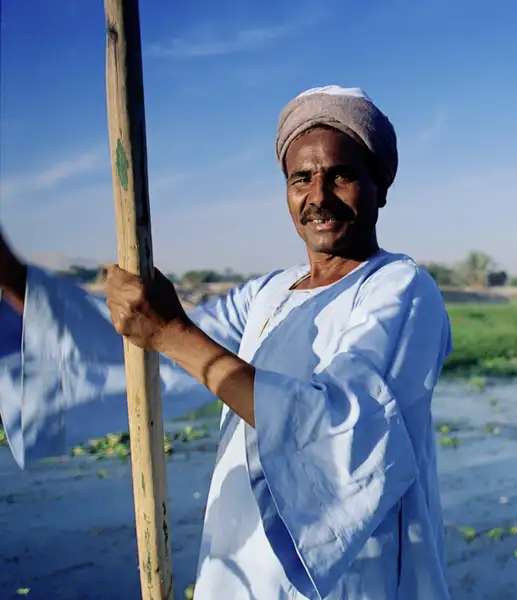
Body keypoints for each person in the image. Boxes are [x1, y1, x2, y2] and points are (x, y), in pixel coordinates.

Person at [0, 85, 453, 600]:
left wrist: (174, 333)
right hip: (240, 575)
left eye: (342, 175)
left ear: (381, 186)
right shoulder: (267, 294)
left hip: (352, 583)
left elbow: (344, 429)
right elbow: (153, 359)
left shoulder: (401, 287)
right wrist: (14, 279)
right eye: (300, 178)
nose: (318, 197)